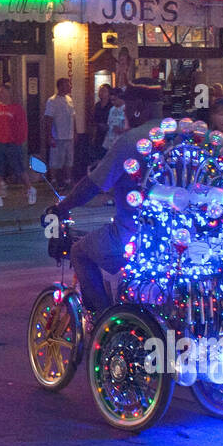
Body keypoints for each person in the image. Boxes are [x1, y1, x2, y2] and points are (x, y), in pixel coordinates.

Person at [43, 88, 165, 315]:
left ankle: (103, 320)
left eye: (128, 106)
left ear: (139, 106)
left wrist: (62, 207)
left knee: (80, 251)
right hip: (175, 240)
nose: (126, 111)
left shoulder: (132, 140)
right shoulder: (181, 136)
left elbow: (93, 185)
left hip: (135, 234)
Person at [0, 82, 32, 207]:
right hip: (0, 143)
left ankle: (30, 189)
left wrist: (19, 141)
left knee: (19, 169)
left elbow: (22, 126)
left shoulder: (17, 108)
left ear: (8, 93)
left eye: (2, 92)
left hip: (13, 144)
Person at [42, 77, 76, 191]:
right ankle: (54, 180)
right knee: (55, 160)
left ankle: (68, 180)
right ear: (60, 86)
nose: (69, 87)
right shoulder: (52, 101)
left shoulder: (69, 99)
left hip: (69, 136)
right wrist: (49, 136)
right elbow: (48, 118)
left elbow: (73, 117)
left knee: (69, 159)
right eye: (67, 85)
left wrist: (75, 132)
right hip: (58, 136)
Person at [91, 84, 112, 160]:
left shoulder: (112, 105)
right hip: (99, 133)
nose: (101, 93)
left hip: (109, 133)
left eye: (104, 91)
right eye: (100, 91)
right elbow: (94, 120)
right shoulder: (97, 105)